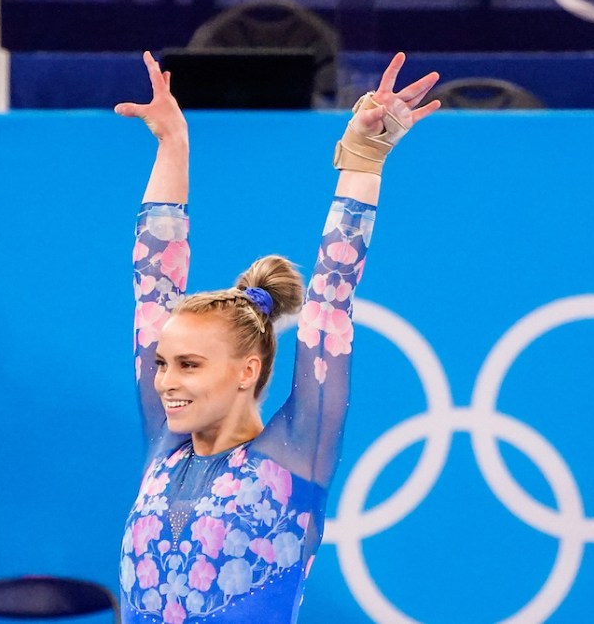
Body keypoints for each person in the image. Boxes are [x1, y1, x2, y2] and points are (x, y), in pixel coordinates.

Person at [115, 51, 440, 624]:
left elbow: (331, 301)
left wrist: (364, 157)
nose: (165, 382)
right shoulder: (164, 445)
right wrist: (172, 145)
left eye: (189, 365)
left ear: (247, 371)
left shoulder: (293, 454)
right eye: (164, 364)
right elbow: (152, 289)